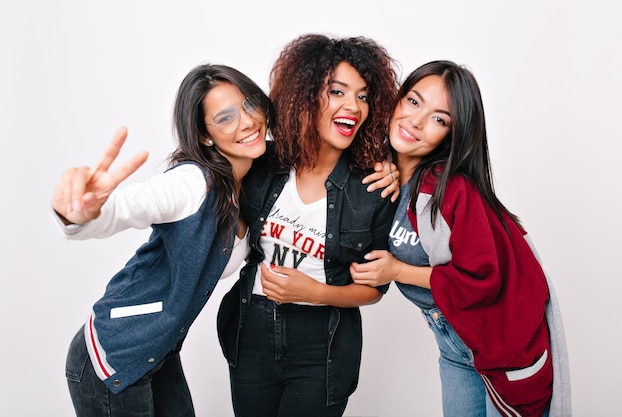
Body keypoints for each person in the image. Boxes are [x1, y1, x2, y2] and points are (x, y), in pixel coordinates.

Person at [350, 60, 571, 417]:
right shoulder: (383, 176)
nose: (417, 122)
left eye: (439, 119)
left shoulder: (451, 188)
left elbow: (482, 279)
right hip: (453, 345)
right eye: (413, 101)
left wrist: (396, 270)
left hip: (501, 342)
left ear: (452, 135)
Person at [53, 63, 273, 417]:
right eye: (226, 117)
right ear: (204, 136)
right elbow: (127, 208)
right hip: (112, 358)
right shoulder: (191, 182)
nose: (247, 122)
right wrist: (81, 215)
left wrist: (394, 167)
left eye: (250, 105)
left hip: (159, 353)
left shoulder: (254, 174)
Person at [217, 34, 400, 417]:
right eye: (337, 92)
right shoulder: (262, 165)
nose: (353, 106)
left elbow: (375, 290)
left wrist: (316, 292)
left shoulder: (374, 187)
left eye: (363, 96)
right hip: (251, 330)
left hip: (323, 344)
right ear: (303, 95)